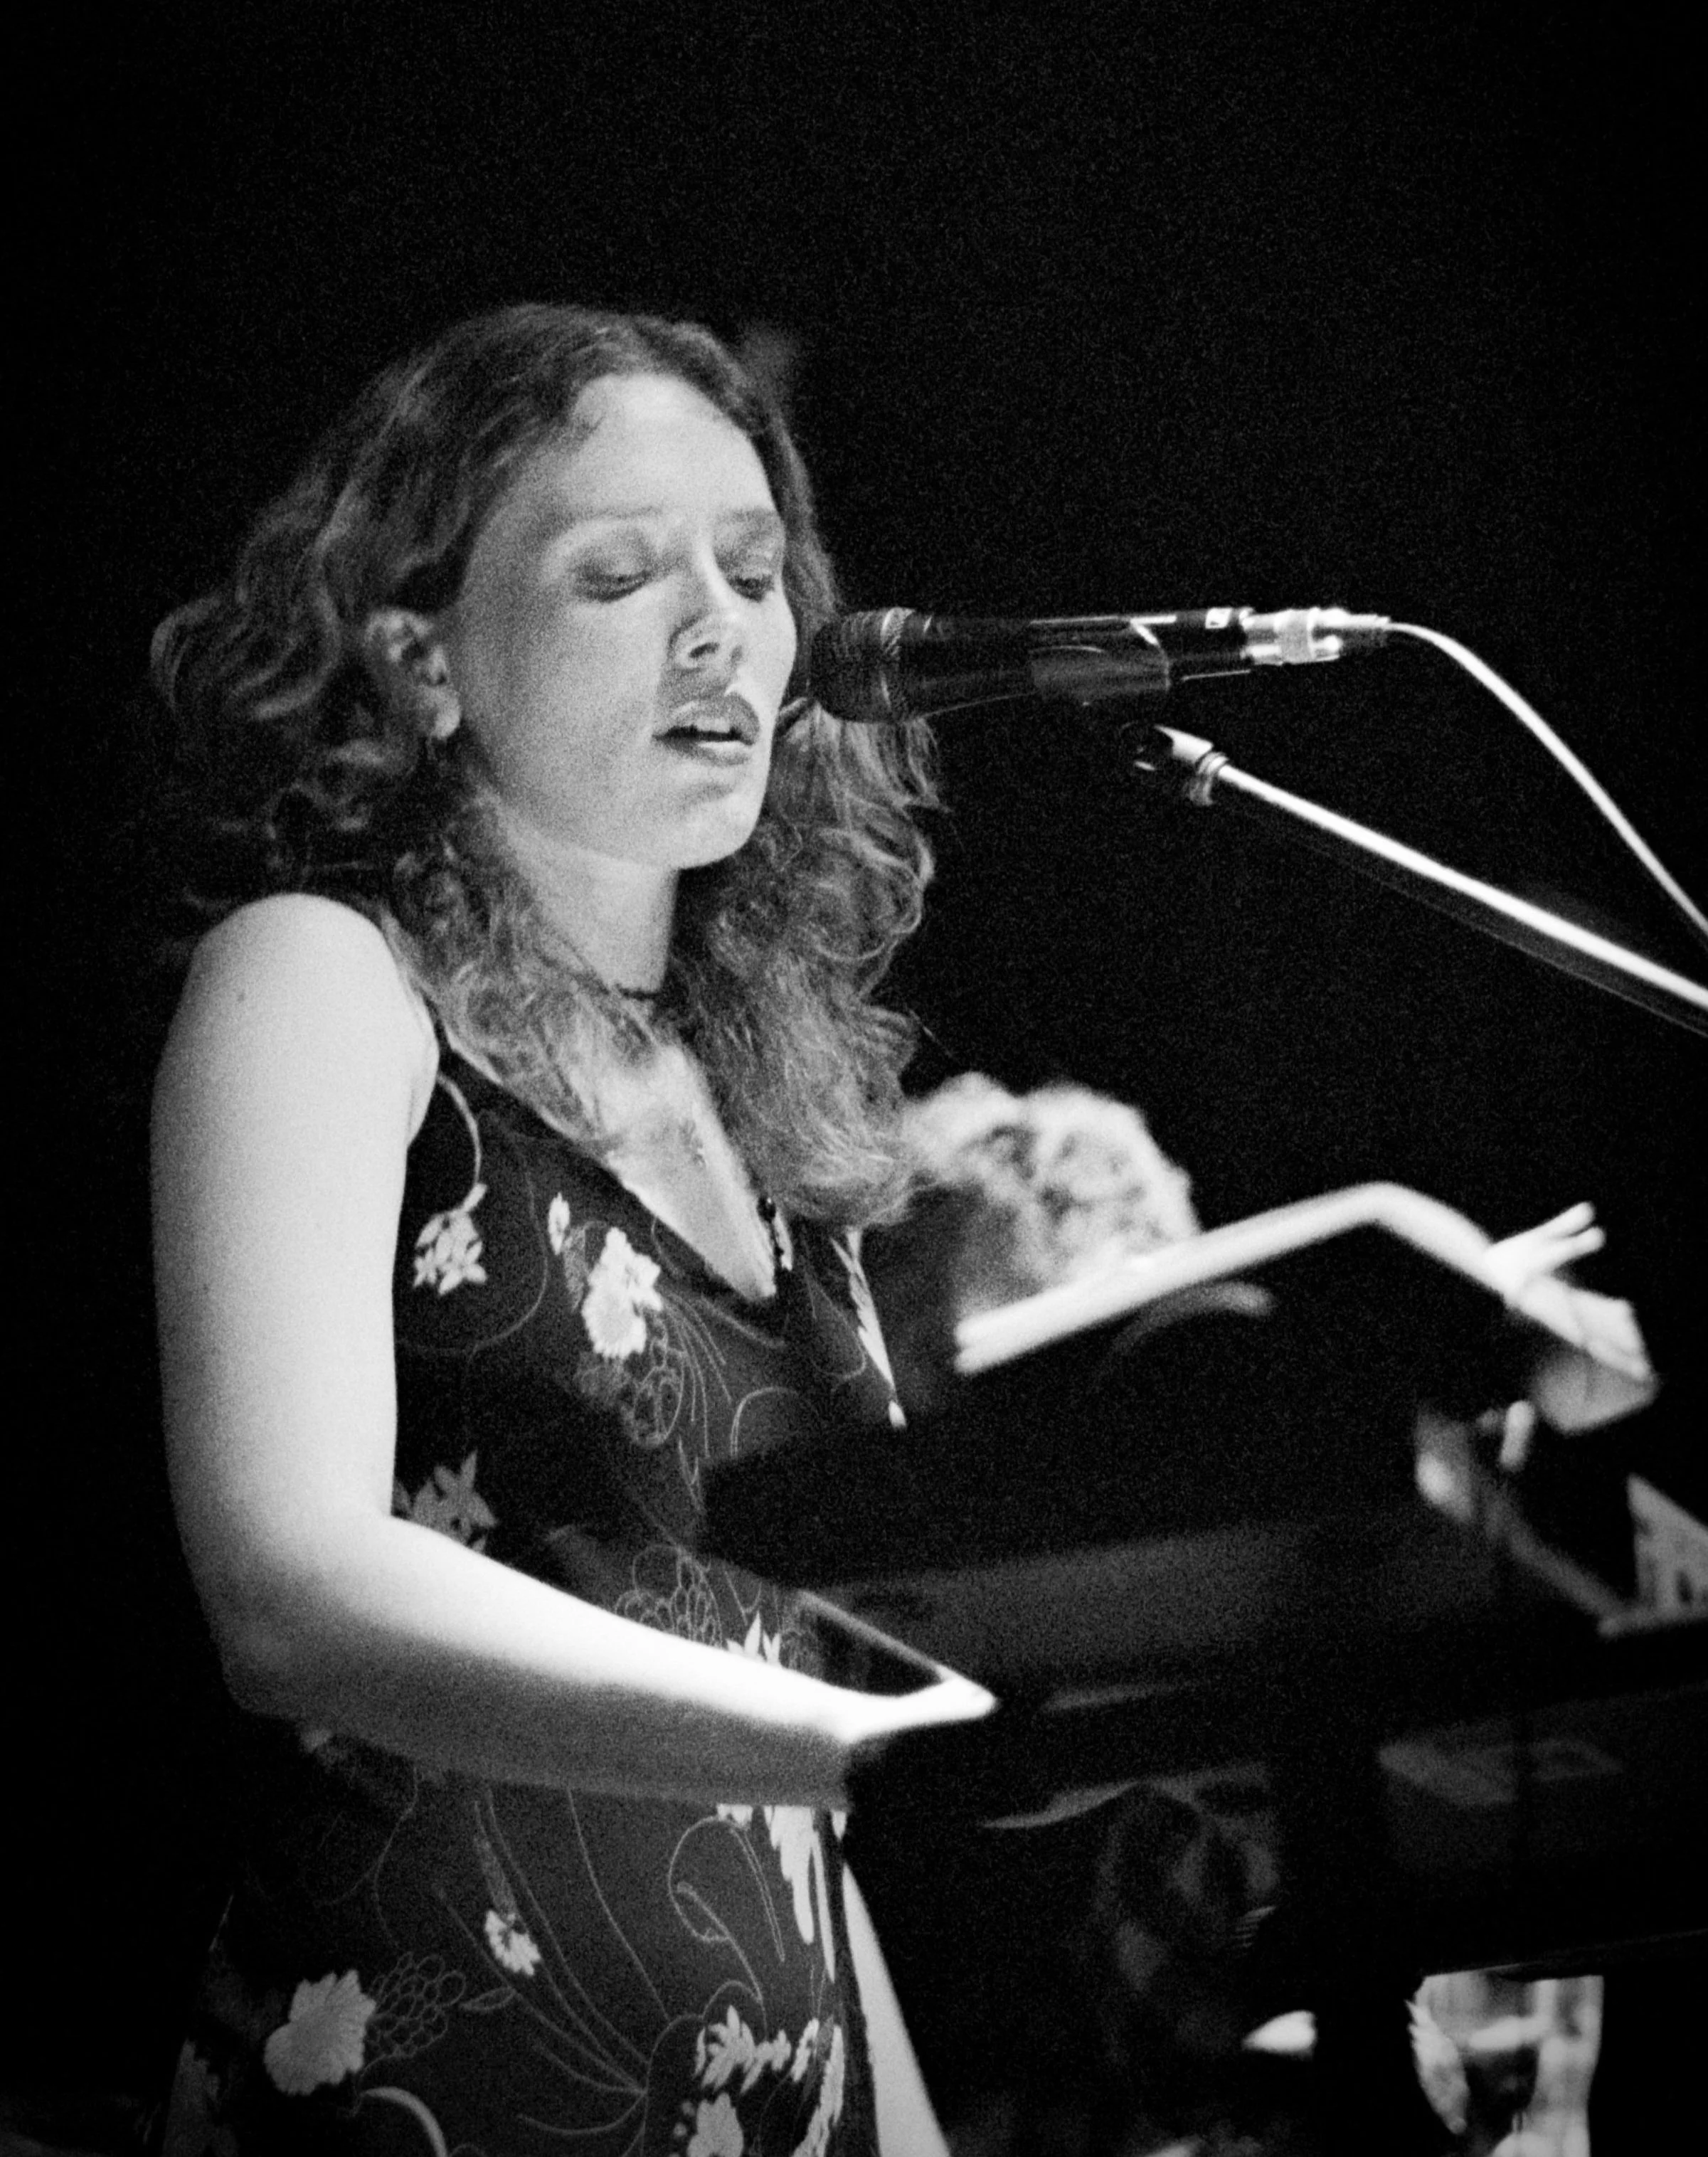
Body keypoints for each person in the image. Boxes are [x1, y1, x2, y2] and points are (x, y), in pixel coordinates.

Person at [147, 303, 994, 2156]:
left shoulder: (757, 1105)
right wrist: (863, 1749)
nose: (724, 624)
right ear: (423, 655)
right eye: (620, 574)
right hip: (427, 2088)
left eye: (756, 571)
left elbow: (782, 1758)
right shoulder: (324, 987)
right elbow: (290, 1589)